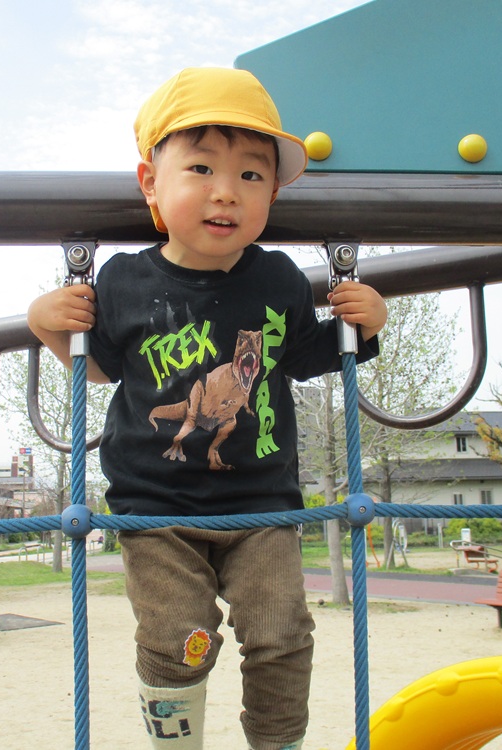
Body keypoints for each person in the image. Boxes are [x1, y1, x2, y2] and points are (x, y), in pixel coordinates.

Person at [28, 67, 387, 750]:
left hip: (263, 503)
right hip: (155, 507)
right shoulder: (124, 279)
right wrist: (47, 326)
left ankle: (278, 743)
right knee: (181, 639)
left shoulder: (278, 278)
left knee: (283, 633)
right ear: (150, 184)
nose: (226, 191)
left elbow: (304, 355)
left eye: (251, 175)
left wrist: (364, 325)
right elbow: (100, 367)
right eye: (201, 168)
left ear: (271, 195)